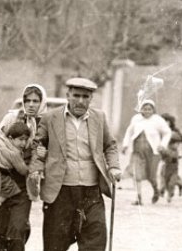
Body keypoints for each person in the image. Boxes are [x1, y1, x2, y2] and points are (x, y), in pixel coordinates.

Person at [28, 77, 121, 251]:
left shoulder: (99, 118)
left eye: (85, 97)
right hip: (60, 192)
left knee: (95, 241)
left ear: (91, 98)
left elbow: (110, 145)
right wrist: (36, 168)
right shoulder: (50, 118)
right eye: (76, 95)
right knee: (55, 243)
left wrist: (114, 167)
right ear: (67, 95)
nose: (80, 101)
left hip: (91, 192)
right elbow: (37, 146)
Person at [0, 84, 48, 251]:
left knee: (17, 229)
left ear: (42, 102)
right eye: (27, 100)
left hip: (24, 182)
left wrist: (43, 155)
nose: (31, 104)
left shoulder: (45, 123)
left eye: (36, 101)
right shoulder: (11, 118)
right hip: (5, 178)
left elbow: (50, 151)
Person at [122, 99, 171, 205]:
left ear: (153, 110)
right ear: (141, 110)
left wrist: (163, 145)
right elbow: (129, 132)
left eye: (150, 109)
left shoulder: (158, 120)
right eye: (145, 109)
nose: (147, 111)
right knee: (137, 174)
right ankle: (138, 197)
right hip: (137, 151)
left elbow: (167, 133)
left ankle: (156, 190)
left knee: (151, 176)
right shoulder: (136, 119)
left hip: (153, 152)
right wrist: (125, 144)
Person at [0, 122, 31, 205]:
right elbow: (23, 170)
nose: (24, 143)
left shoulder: (2, 140)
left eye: (26, 140)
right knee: (10, 188)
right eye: (21, 139)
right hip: (0, 172)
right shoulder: (14, 153)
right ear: (11, 138)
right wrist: (29, 170)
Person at [159, 113, 182, 197]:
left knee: (171, 172)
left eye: (166, 121)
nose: (164, 123)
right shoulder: (160, 131)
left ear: (170, 122)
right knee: (163, 172)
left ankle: (177, 184)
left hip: (173, 155)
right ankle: (163, 188)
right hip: (164, 155)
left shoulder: (175, 131)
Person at [160, 131, 182, 203]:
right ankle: (163, 191)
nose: (178, 146)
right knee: (164, 182)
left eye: (178, 144)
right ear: (171, 143)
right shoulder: (166, 149)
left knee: (171, 183)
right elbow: (162, 156)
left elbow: (176, 156)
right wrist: (161, 152)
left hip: (174, 171)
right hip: (165, 169)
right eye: (176, 144)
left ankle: (170, 195)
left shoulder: (176, 151)